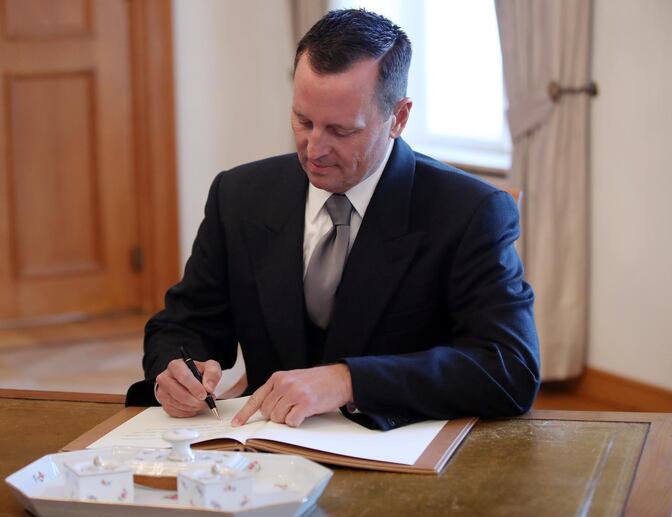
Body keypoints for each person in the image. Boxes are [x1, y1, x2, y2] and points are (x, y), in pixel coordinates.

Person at [126, 9, 540, 430]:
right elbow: (184, 323)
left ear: (398, 118)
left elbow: (510, 367)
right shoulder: (239, 195)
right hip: (266, 456)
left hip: (400, 458)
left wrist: (349, 380)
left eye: (341, 131)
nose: (314, 149)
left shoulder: (469, 211)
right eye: (303, 121)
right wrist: (175, 370)